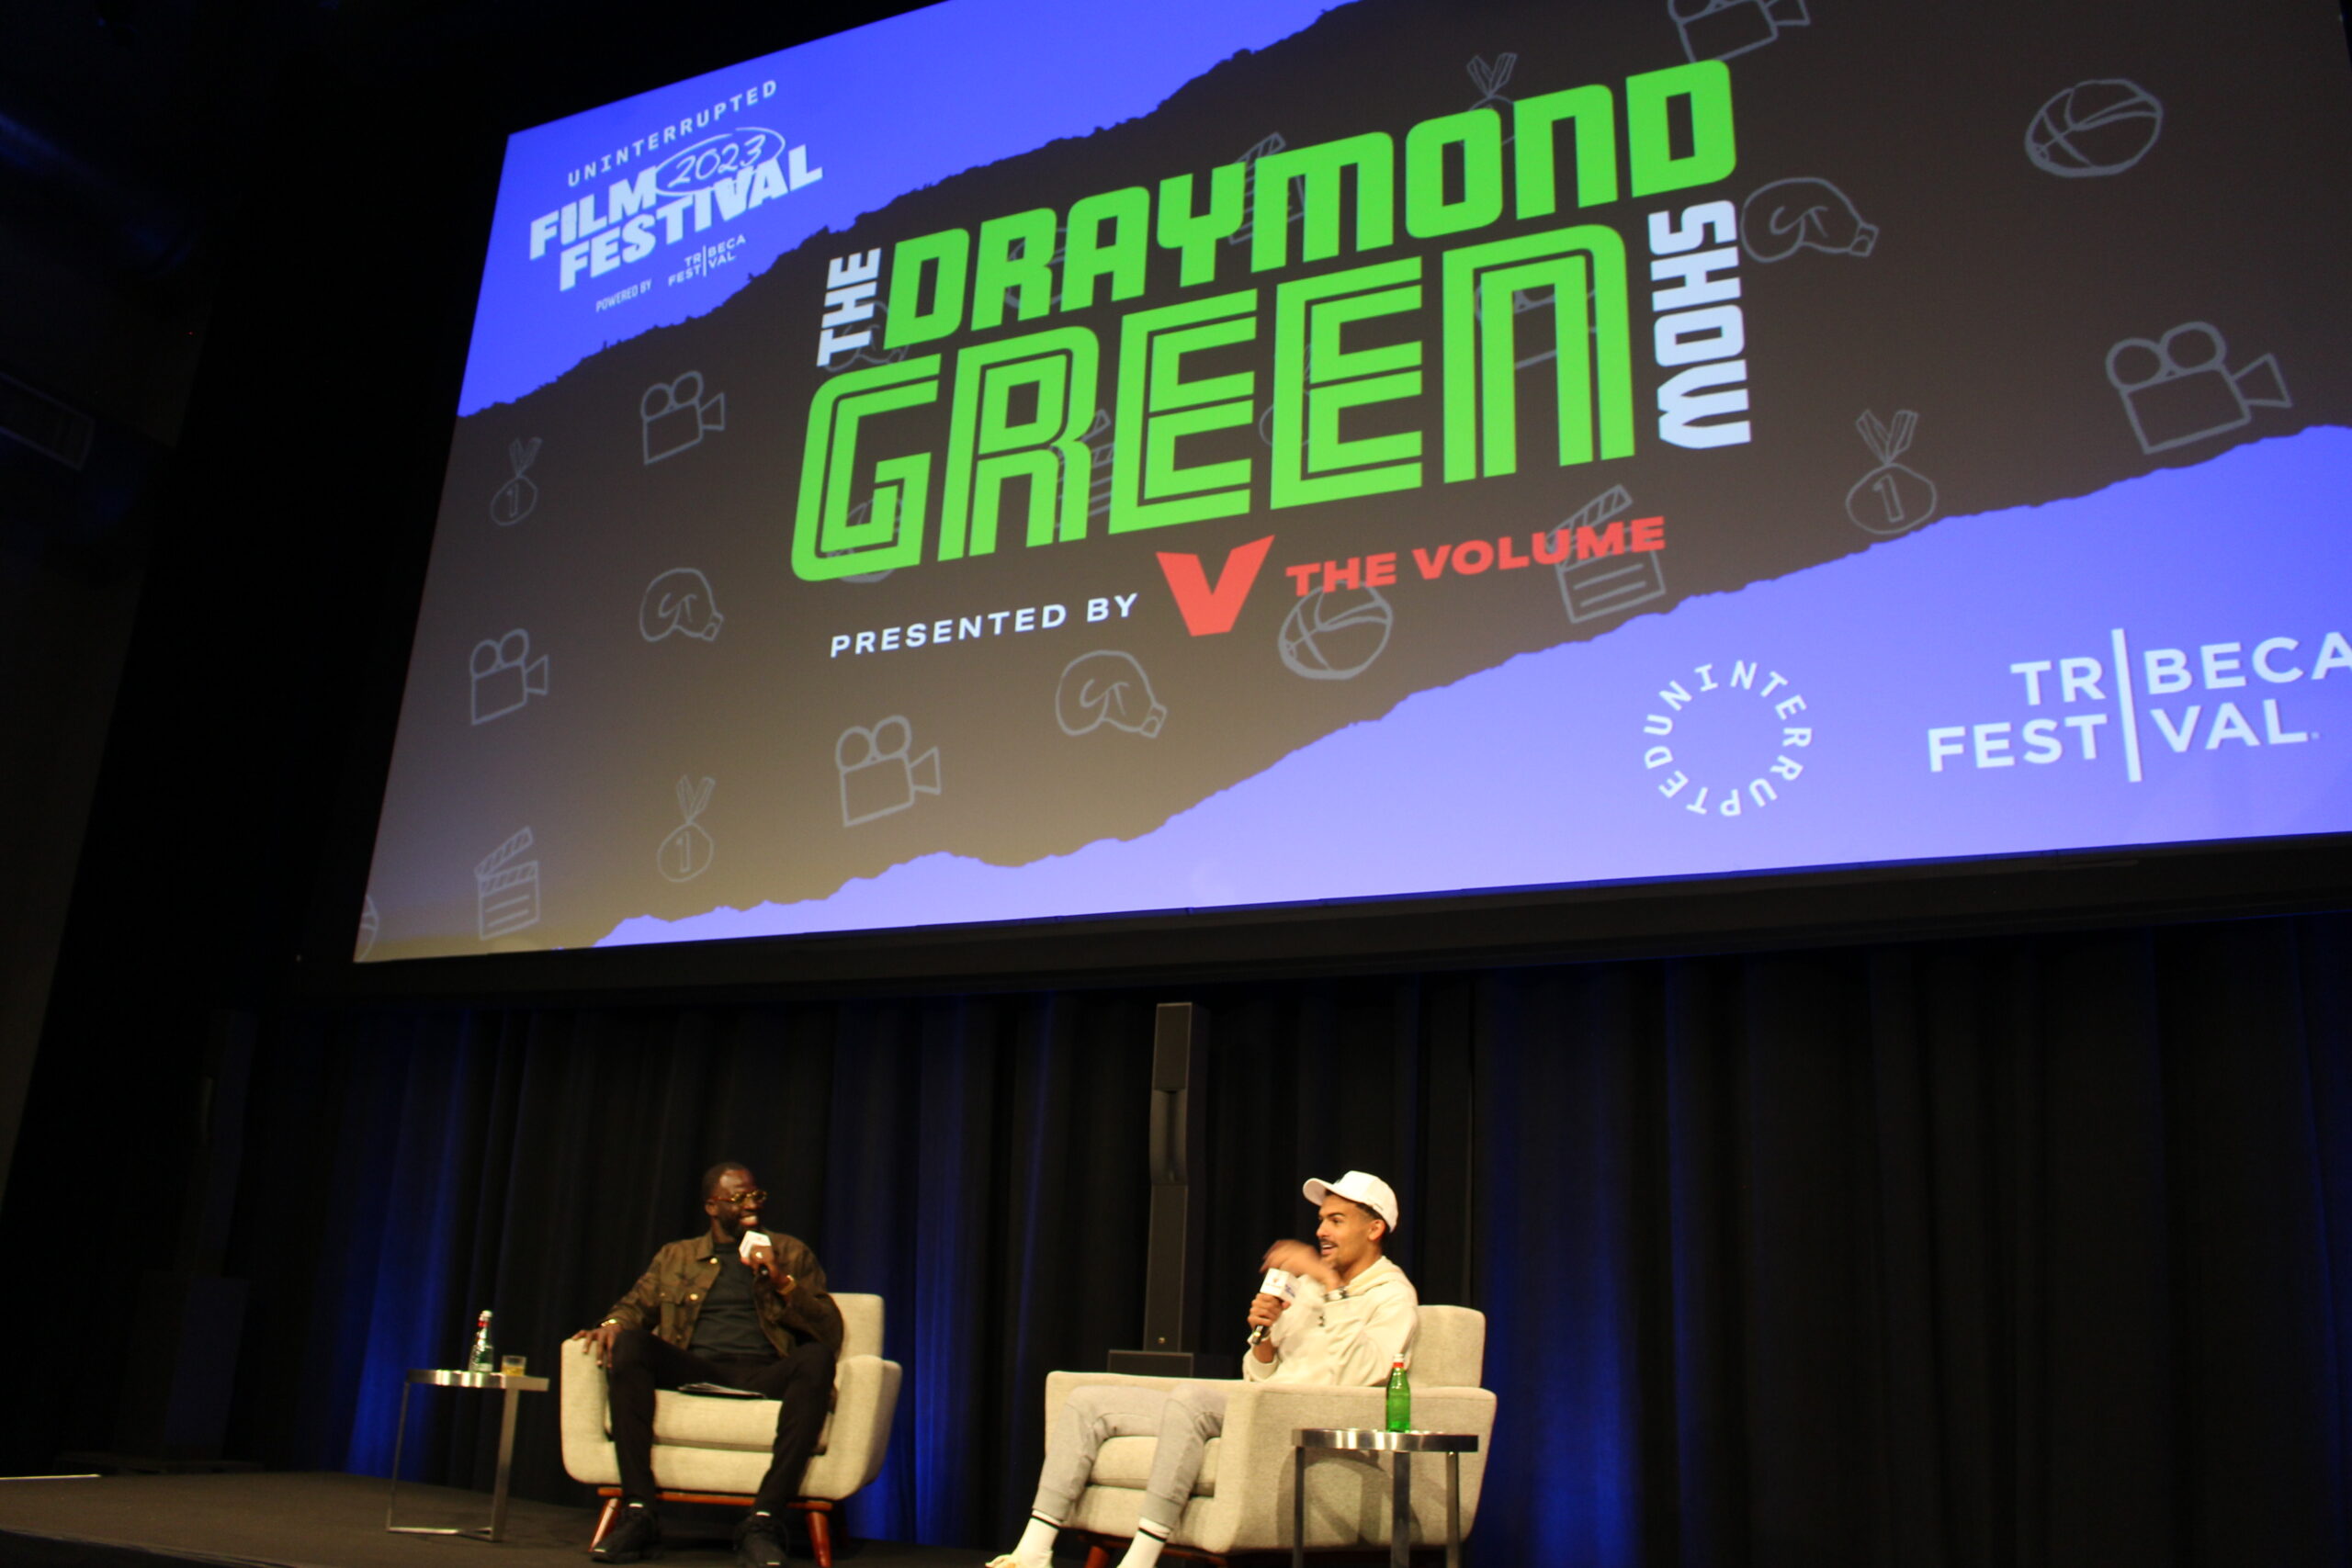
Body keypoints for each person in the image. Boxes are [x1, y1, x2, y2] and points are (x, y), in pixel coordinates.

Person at [986, 1171, 1418, 1568]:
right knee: (1088, 1402)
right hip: (1259, 1406)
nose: (1321, 1231)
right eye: (1321, 1220)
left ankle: (1140, 1560)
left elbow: (1360, 1376)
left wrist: (1332, 1287)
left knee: (1193, 1399)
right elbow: (1260, 1376)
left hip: (1304, 1421)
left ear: (1374, 1229)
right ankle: (1033, 1551)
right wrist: (1265, 1337)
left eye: (1336, 1221)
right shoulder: (1306, 1286)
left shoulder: (1393, 1296)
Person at [575, 1163, 843, 1568]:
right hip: (697, 1368)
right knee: (630, 1345)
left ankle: (763, 1520)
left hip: (764, 1372)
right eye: (738, 1198)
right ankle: (639, 1512)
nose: (751, 1205)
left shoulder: (790, 1252)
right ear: (712, 1207)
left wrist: (780, 1279)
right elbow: (634, 1307)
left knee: (817, 1359)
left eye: (755, 1196)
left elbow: (830, 1331)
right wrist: (612, 1325)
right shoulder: (677, 1256)